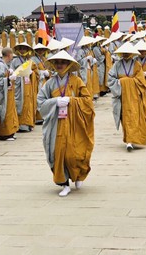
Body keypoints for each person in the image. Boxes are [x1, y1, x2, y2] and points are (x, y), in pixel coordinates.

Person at [37, 51, 95, 197]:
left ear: (68, 65)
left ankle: (78, 175)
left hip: (75, 122)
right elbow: (41, 102)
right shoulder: (50, 83)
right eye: (57, 63)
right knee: (58, 153)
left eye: (63, 62)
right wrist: (55, 102)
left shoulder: (76, 81)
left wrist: (73, 101)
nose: (60, 65)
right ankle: (64, 183)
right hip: (56, 123)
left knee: (75, 152)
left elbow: (88, 101)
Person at [108, 42, 146, 151]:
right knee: (124, 117)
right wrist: (120, 83)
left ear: (131, 53)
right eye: (124, 53)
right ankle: (128, 140)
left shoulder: (136, 65)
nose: (126, 55)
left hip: (134, 96)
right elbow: (110, 78)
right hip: (121, 96)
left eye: (128, 53)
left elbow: (141, 81)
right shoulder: (117, 65)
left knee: (134, 116)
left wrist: (125, 81)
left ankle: (132, 139)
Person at [11, 42, 38, 132]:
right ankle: (20, 124)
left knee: (28, 103)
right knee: (19, 103)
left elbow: (36, 72)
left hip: (28, 85)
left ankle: (28, 123)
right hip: (19, 86)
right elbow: (12, 72)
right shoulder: (15, 61)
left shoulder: (29, 61)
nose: (22, 50)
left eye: (24, 49)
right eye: (21, 48)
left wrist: (32, 73)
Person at [0, 47, 19, 141]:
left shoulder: (5, 65)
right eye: (12, 54)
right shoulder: (1, 66)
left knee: (9, 112)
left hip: (8, 93)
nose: (12, 56)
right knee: (4, 112)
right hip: (3, 94)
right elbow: (0, 82)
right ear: (9, 55)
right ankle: (5, 134)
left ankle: (10, 132)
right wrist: (9, 79)